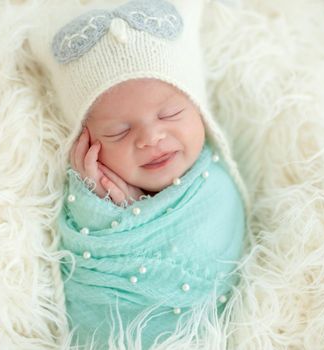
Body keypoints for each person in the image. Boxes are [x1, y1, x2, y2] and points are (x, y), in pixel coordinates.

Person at [28, 0, 249, 348]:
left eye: (171, 113)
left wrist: (135, 211)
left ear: (199, 109)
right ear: (86, 144)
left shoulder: (215, 190)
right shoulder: (87, 194)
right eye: (118, 132)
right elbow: (77, 261)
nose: (151, 138)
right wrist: (95, 203)